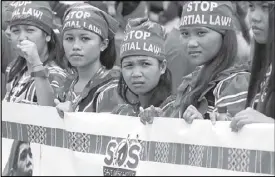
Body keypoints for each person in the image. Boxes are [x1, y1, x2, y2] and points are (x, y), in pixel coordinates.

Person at [141, 1, 251, 124]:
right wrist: (161, 117)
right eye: (185, 34)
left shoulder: (236, 83)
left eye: (201, 33)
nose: (191, 43)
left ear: (224, 35)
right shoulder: (192, 81)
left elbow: (238, 136)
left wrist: (203, 126)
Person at [97, 18, 172, 119]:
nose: (136, 73)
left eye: (145, 64)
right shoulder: (119, 111)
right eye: (129, 65)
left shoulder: (176, 110)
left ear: (162, 67)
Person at [54, 3, 120, 116]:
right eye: (69, 38)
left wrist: (73, 119)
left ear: (103, 44)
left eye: (85, 38)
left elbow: (108, 132)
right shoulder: (64, 84)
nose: (75, 46)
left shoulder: (113, 88)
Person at [3, 1, 69, 106]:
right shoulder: (14, 68)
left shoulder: (57, 74)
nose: (21, 38)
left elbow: (48, 111)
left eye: (30, 30)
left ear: (48, 36)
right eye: (16, 31)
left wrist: (35, 63)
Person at [230, 1, 275, 131]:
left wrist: (268, 124)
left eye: (265, 7)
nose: (254, 17)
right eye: (251, 7)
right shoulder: (266, 64)